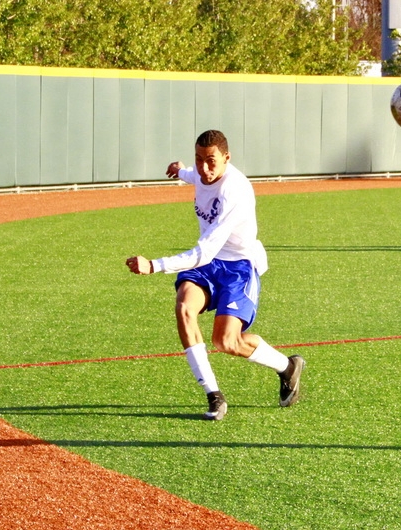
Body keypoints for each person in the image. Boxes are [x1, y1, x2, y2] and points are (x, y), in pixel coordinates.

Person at [126, 129, 304, 421]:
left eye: (211, 161)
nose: (204, 168)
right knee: (184, 307)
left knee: (226, 341)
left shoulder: (235, 191)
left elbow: (204, 251)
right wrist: (180, 170)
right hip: (209, 265)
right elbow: (194, 176)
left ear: (227, 158)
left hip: (237, 266)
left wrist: (154, 265)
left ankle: (287, 367)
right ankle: (214, 395)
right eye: (199, 159)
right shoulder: (200, 172)